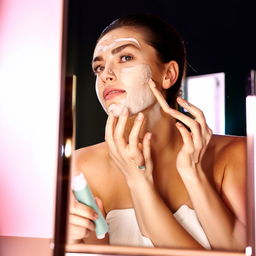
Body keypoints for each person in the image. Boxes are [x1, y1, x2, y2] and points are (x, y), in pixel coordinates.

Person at [68, 13, 246, 250]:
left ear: (169, 74)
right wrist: (73, 241)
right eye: (98, 67)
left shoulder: (237, 155)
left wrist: (193, 174)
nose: (106, 75)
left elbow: (237, 252)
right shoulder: (82, 167)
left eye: (125, 57)